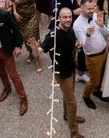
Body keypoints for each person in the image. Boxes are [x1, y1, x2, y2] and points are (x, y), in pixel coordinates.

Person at [31, 8, 86, 138]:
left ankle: (67, 115)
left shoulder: (70, 30)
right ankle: (74, 132)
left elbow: (70, 45)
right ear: (59, 19)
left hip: (71, 68)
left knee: (68, 94)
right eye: (64, 17)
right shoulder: (53, 35)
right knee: (72, 102)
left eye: (69, 17)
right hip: (61, 72)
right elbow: (39, 51)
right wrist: (34, 49)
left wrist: (77, 46)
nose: (67, 20)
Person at [73, 0, 109, 110]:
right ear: (81, 8)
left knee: (102, 76)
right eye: (88, 9)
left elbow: (106, 34)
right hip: (92, 57)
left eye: (92, 8)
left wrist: (101, 25)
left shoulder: (94, 16)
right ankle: (86, 96)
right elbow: (84, 44)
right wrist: (88, 35)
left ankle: (97, 91)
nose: (91, 10)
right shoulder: (77, 25)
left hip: (104, 52)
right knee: (93, 80)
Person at [11, 0, 46, 73]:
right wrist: (14, 12)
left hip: (32, 17)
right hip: (21, 19)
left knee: (32, 39)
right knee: (26, 39)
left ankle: (37, 61)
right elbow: (13, 2)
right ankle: (31, 54)